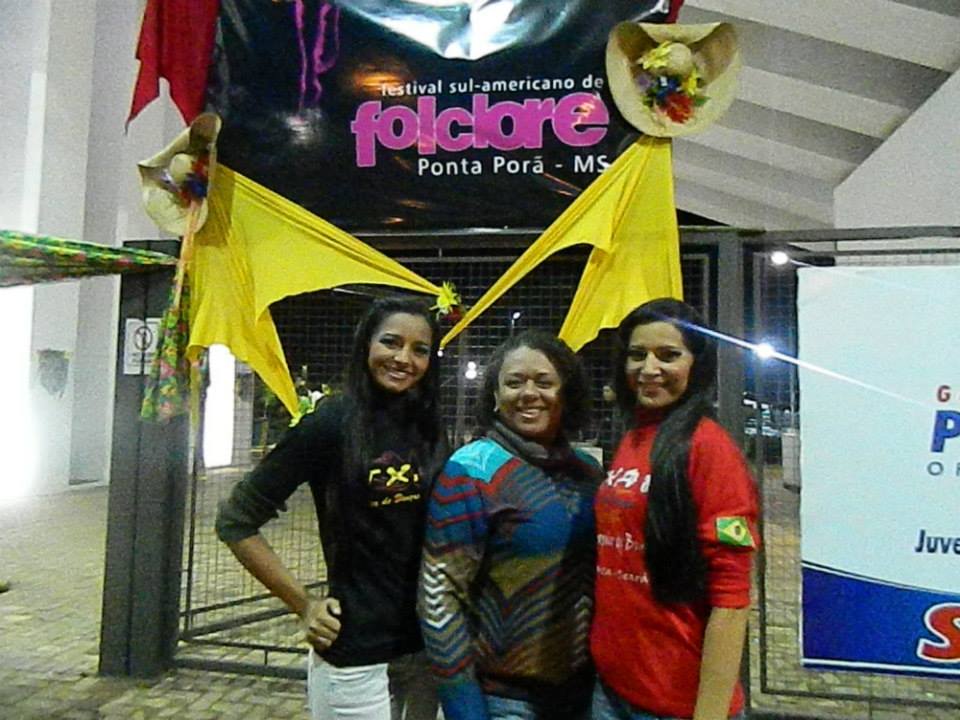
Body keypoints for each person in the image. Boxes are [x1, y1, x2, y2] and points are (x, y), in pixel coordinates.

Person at [216, 296, 446, 720]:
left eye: (420, 349)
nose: (403, 358)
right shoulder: (331, 422)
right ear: (365, 345)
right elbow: (236, 521)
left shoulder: (428, 426)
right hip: (355, 650)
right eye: (391, 342)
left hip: (425, 650)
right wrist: (304, 604)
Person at [418, 330, 603, 720]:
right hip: (505, 701)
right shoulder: (471, 471)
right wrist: (465, 709)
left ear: (566, 392)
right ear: (495, 395)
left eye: (544, 382)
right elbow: (438, 599)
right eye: (514, 382)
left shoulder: (588, 473)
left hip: (585, 696)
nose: (528, 393)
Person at [591, 298, 759, 720]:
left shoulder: (710, 448)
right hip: (612, 692)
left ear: (696, 365)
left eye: (668, 355)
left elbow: (731, 600)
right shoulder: (635, 437)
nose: (649, 369)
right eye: (637, 355)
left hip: (677, 703)